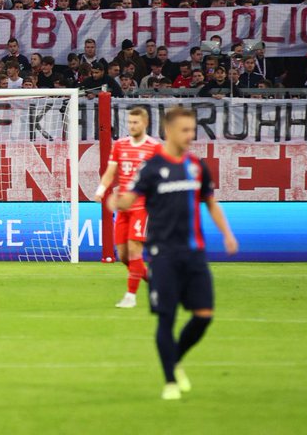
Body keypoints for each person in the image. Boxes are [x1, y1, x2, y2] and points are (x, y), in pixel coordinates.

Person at [112, 106, 239, 401]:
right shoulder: (152, 167)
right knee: (166, 320)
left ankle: (175, 358)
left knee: (204, 315)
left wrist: (227, 233)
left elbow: (210, 201)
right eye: (184, 130)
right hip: (163, 255)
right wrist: (116, 203)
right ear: (169, 131)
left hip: (195, 254)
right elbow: (130, 197)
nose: (190, 135)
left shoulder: (197, 165)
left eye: (192, 130)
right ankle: (170, 380)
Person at [96, 107, 160, 308]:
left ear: (145, 123)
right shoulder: (120, 145)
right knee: (123, 256)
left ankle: (130, 296)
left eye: (136, 122)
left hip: (142, 206)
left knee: (134, 250)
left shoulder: (154, 148)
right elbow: (110, 171)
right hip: (123, 206)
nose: (132, 126)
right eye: (130, 122)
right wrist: (101, 190)